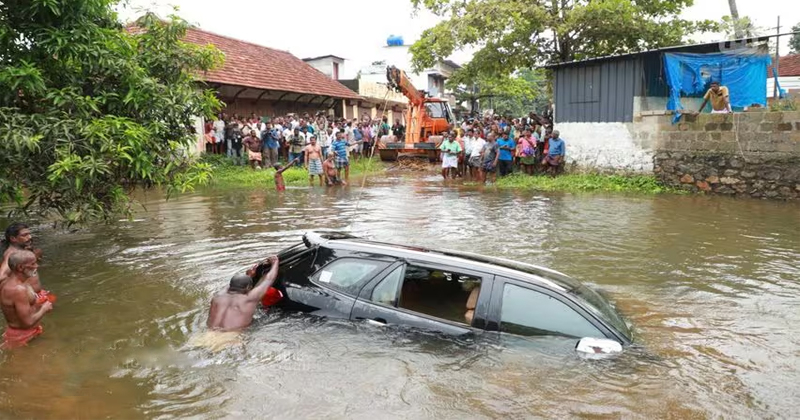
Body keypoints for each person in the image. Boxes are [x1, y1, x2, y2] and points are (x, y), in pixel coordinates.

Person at [206, 255, 279, 332]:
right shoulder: (249, 298)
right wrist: (275, 262)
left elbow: (231, 285)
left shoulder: (217, 296)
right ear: (248, 288)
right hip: (230, 337)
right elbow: (268, 279)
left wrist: (248, 276)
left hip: (207, 335)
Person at [1, 251, 53, 348]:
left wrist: (38, 304)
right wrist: (44, 309)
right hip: (22, 337)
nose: (37, 266)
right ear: (20, 267)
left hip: (26, 333)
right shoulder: (18, 290)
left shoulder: (20, 282)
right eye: (33, 264)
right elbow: (27, 322)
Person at [1, 223, 50, 303]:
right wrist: (21, 290)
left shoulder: (22, 251)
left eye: (29, 234)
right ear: (13, 238)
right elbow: (1, 276)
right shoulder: (12, 254)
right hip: (28, 298)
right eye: (25, 235)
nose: (30, 237)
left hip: (37, 294)